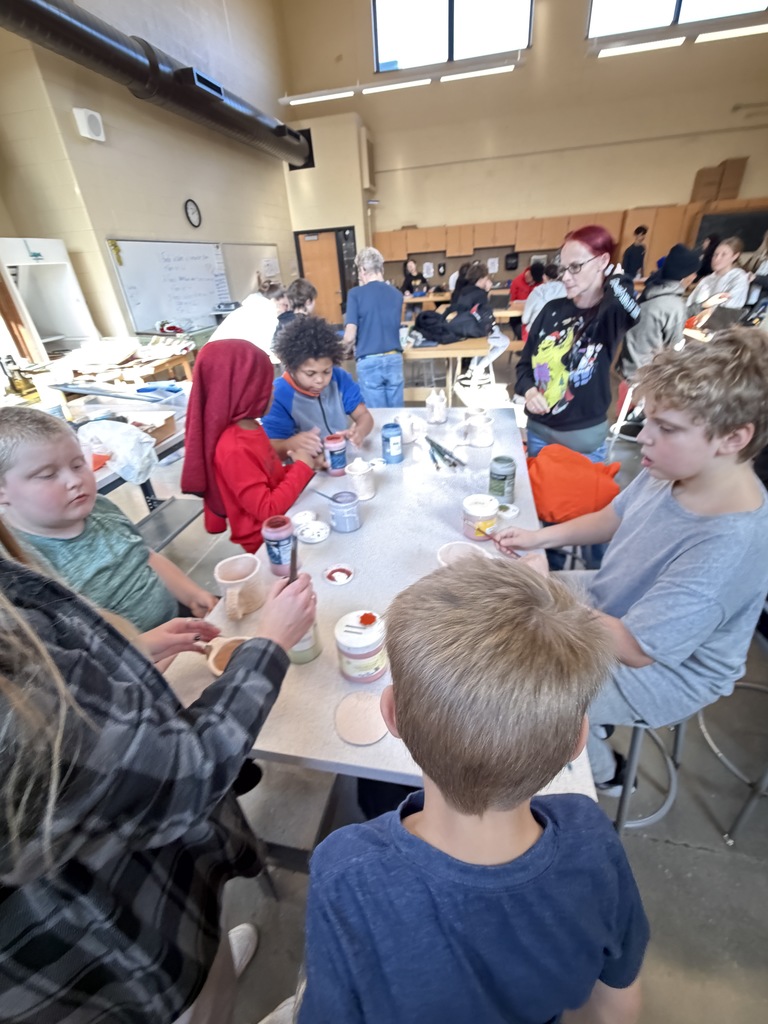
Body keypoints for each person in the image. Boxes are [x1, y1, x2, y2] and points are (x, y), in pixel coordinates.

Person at [298, 558, 649, 1023]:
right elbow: (618, 997)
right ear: (578, 741)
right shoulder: (593, 837)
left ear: (392, 714)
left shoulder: (345, 868)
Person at [0, 536, 316, 1024]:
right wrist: (270, 645)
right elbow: (188, 772)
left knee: (208, 965)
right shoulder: (14, 689)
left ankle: (213, 970)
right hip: (108, 952)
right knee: (195, 1004)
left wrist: (130, 653)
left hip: (148, 890)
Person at [498, 329, 768, 793]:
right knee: (504, 608)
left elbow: (638, 650)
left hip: (664, 670)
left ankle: (603, 770)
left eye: (666, 428)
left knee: (517, 692)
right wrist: (537, 537)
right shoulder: (674, 469)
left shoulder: (731, 546)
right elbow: (613, 516)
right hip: (615, 604)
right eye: (650, 421)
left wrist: (546, 592)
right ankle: (587, 720)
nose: (643, 437)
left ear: (732, 438)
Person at [0, 407, 218, 636]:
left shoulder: (101, 507)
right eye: (47, 474)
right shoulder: (20, 561)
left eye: (78, 464)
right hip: (126, 661)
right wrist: (147, 647)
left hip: (178, 626)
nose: (74, 480)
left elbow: (144, 556)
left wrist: (192, 594)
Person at [516, 224, 640, 462]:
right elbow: (524, 366)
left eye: (575, 267)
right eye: (563, 268)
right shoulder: (551, 310)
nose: (566, 276)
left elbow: (631, 310)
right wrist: (530, 391)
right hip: (539, 433)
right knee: (538, 499)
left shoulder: (608, 315)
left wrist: (616, 279)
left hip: (584, 442)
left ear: (603, 261)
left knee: (584, 500)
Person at [181, 339, 315, 552]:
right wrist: (302, 468)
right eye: (265, 384)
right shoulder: (234, 447)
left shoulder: (251, 427)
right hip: (266, 542)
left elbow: (271, 479)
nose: (272, 389)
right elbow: (267, 510)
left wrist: (305, 465)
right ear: (242, 390)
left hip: (283, 520)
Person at [263, 315, 374, 462]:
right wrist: (291, 444)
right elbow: (272, 449)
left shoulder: (339, 378)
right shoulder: (278, 396)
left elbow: (364, 416)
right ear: (291, 367)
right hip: (307, 472)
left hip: (341, 459)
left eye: (327, 371)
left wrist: (359, 432)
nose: (320, 380)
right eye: (310, 373)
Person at [621, 243, 700, 378]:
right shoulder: (674, 305)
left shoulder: (651, 290)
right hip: (645, 375)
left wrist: (698, 307)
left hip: (628, 365)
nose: (695, 277)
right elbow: (675, 349)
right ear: (684, 276)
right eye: (693, 273)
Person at [343, 246, 404, 407]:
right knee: (396, 415)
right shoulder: (397, 294)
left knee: (378, 418)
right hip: (394, 358)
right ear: (381, 268)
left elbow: (350, 336)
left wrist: (341, 351)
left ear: (363, 270)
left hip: (369, 361)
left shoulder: (355, 294)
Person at [446, 262, 509, 386]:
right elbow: (484, 318)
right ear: (481, 279)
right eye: (486, 278)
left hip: (464, 329)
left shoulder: (464, 291)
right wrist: (486, 291)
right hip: (475, 332)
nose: (488, 280)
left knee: (494, 334)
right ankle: (478, 369)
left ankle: (473, 368)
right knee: (504, 341)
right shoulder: (480, 295)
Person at [210, 276, 287, 363]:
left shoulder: (247, 308)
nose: (285, 310)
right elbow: (266, 353)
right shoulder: (266, 314)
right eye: (284, 305)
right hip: (224, 360)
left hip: (213, 356)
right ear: (274, 301)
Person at [687, 236, 749, 313]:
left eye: (723, 255)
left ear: (734, 256)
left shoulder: (738, 277)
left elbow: (730, 307)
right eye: (715, 255)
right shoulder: (707, 279)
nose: (717, 259)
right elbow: (691, 303)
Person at [521, 261, 566, 338]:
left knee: (522, 327)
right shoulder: (567, 290)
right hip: (559, 333)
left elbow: (525, 319)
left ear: (544, 276)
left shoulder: (536, 292)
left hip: (537, 334)